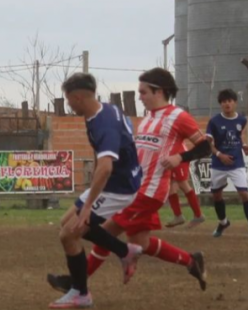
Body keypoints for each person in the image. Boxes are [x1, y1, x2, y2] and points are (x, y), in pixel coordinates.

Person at [48, 68, 209, 294]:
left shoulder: (178, 116)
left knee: (104, 231)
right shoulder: (148, 118)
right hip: (136, 185)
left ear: (159, 91)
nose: (140, 96)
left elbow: (205, 146)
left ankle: (76, 283)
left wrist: (181, 157)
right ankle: (191, 261)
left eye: (143, 92)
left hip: (149, 191)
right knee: (141, 242)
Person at [48, 73, 143, 309]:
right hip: (118, 181)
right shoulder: (105, 110)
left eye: (68, 99)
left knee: (69, 235)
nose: (68, 104)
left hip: (117, 187)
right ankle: (125, 250)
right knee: (67, 222)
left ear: (78, 97)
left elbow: (106, 167)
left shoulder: (103, 124)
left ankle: (81, 293)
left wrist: (88, 205)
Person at [207, 89, 248, 239]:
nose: (227, 104)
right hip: (219, 163)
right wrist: (219, 154)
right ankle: (223, 222)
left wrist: (244, 146)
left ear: (235, 103)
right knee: (216, 195)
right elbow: (208, 144)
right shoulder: (214, 121)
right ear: (221, 104)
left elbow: (238, 137)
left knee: (244, 193)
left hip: (237, 163)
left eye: (230, 101)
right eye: (224, 101)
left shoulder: (242, 120)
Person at [164, 140, 205, 228]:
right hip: (169, 156)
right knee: (170, 185)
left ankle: (198, 215)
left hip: (179, 156)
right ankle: (178, 215)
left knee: (182, 183)